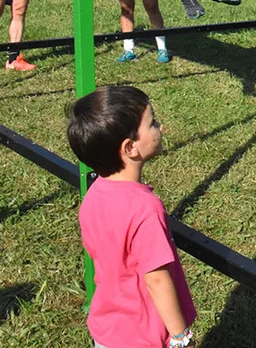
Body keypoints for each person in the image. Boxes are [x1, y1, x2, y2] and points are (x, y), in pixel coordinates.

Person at [67, 86, 196, 348]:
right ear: (130, 147)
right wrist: (181, 338)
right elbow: (157, 279)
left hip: (108, 330)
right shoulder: (144, 208)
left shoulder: (94, 195)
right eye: (153, 123)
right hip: (143, 336)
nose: (160, 127)